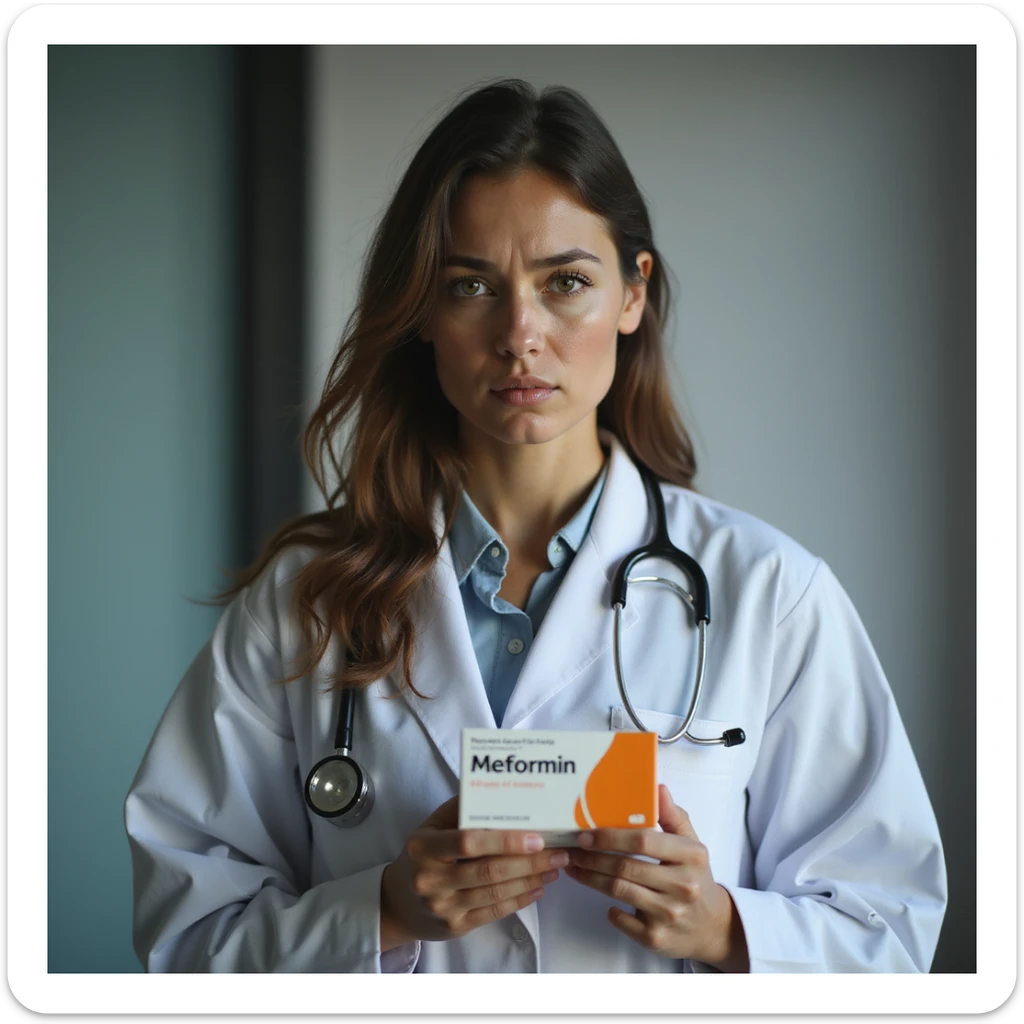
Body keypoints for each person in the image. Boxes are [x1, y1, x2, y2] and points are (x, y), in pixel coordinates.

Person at [123, 78, 947, 974]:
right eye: (471, 284)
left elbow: (891, 929)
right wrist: (385, 910)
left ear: (633, 296)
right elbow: (186, 937)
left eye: (565, 283)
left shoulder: (772, 596)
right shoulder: (305, 600)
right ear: (423, 315)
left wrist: (724, 930)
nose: (520, 335)